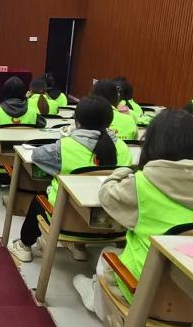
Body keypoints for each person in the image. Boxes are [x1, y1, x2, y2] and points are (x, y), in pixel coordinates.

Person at [71, 109, 193, 319]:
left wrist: (125, 171)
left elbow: (106, 195)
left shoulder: (142, 184)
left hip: (148, 292)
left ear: (151, 142)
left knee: (107, 255)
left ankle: (98, 301)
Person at [8, 95, 131, 263]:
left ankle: (24, 246)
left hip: (64, 219)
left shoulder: (65, 146)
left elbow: (36, 156)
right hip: (110, 223)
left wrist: (67, 137)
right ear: (110, 122)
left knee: (39, 201)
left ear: (77, 121)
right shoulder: (123, 148)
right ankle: (78, 247)